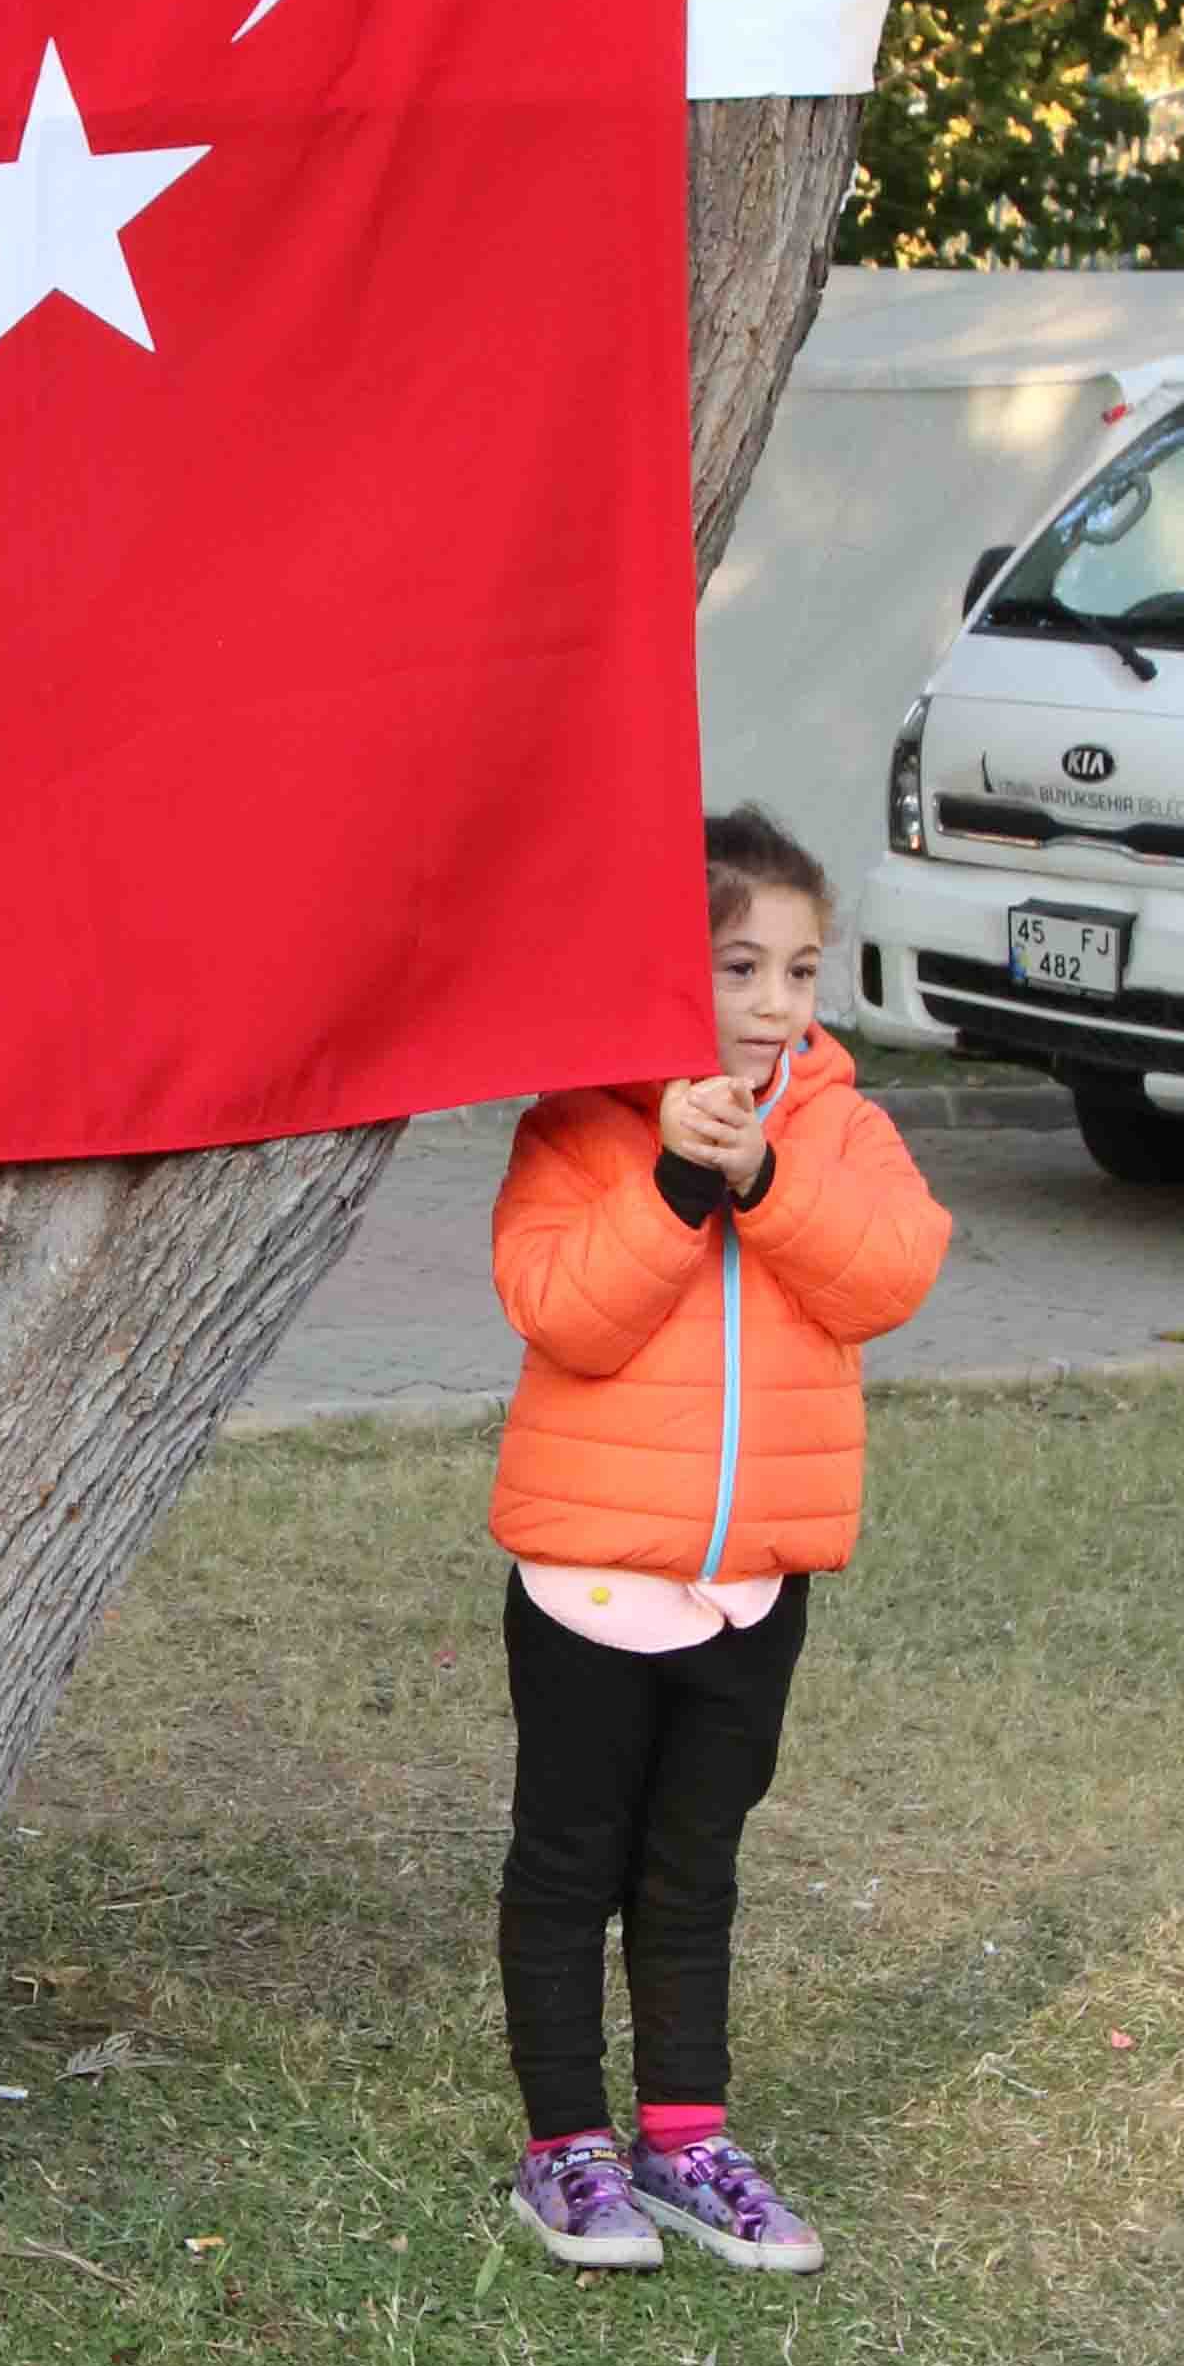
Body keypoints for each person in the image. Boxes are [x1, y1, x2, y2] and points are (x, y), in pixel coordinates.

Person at [481, 808, 947, 2279]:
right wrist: (679, 1184)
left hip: (753, 1592)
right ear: (663, 982)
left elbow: (888, 1274)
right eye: (736, 968)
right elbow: (562, 1308)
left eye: (799, 972)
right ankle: (566, 2148)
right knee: (572, 1868)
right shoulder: (579, 1125)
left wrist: (764, 1181)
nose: (772, 1006)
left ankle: (686, 2137)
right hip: (589, 1587)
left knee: (696, 1869)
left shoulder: (844, 1130)